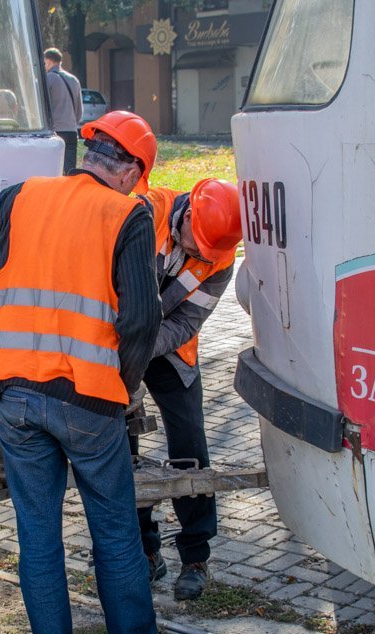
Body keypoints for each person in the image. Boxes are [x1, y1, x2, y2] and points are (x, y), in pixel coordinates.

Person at [0, 111, 167, 634]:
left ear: (90, 151)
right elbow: (142, 322)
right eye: (138, 178)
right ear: (129, 170)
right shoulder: (128, 213)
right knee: (116, 533)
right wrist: (116, 388)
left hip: (15, 398)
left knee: (38, 538)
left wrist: (14, 342)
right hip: (90, 402)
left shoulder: (19, 197)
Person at [133, 178, 243, 601]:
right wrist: (124, 348)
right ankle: (144, 551)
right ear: (188, 213)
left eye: (208, 253)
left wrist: (144, 346)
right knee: (123, 449)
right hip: (115, 341)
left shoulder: (221, 257)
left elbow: (186, 323)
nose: (201, 256)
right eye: (197, 245)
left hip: (170, 350)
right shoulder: (146, 214)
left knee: (190, 450)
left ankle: (195, 556)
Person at [43, 48, 83, 174]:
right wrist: (72, 123)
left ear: (49, 61)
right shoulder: (74, 80)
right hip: (71, 131)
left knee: (54, 171)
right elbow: (79, 110)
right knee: (70, 171)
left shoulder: (48, 78)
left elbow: (44, 107)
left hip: (55, 132)